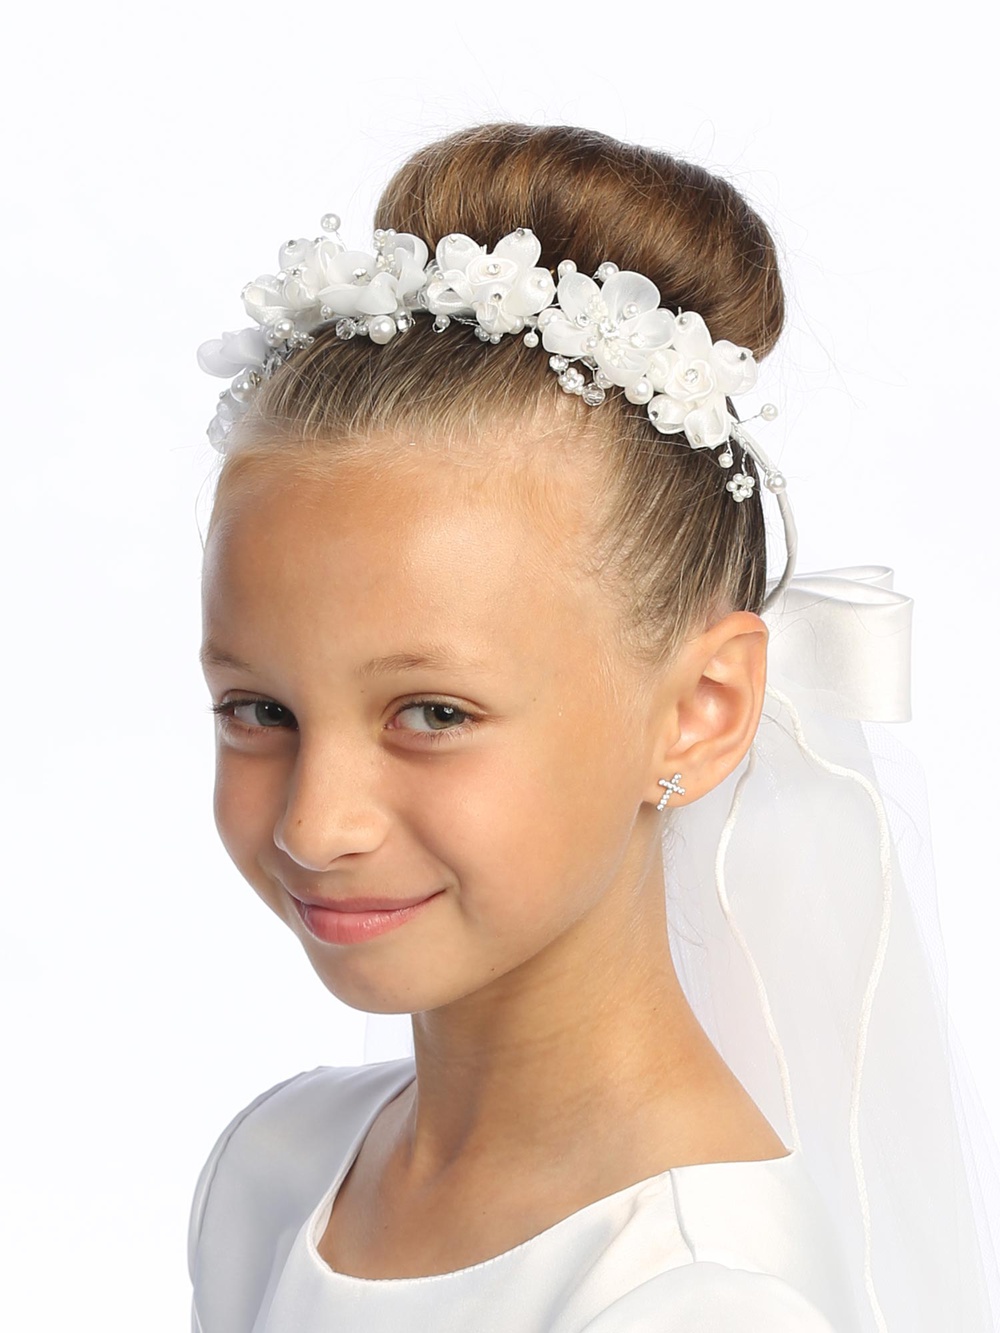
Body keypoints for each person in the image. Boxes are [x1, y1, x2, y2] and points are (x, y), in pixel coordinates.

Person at [187, 123, 1000, 1331]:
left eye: (432, 712)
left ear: (698, 713)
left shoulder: (697, 1297)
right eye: (260, 709)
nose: (317, 823)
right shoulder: (277, 1168)